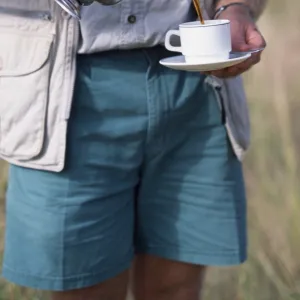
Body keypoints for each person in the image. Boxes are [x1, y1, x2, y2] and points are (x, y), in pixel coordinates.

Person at [0, 0, 267, 299]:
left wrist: (235, 7)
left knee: (177, 288)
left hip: (196, 84)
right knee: (85, 288)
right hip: (64, 91)